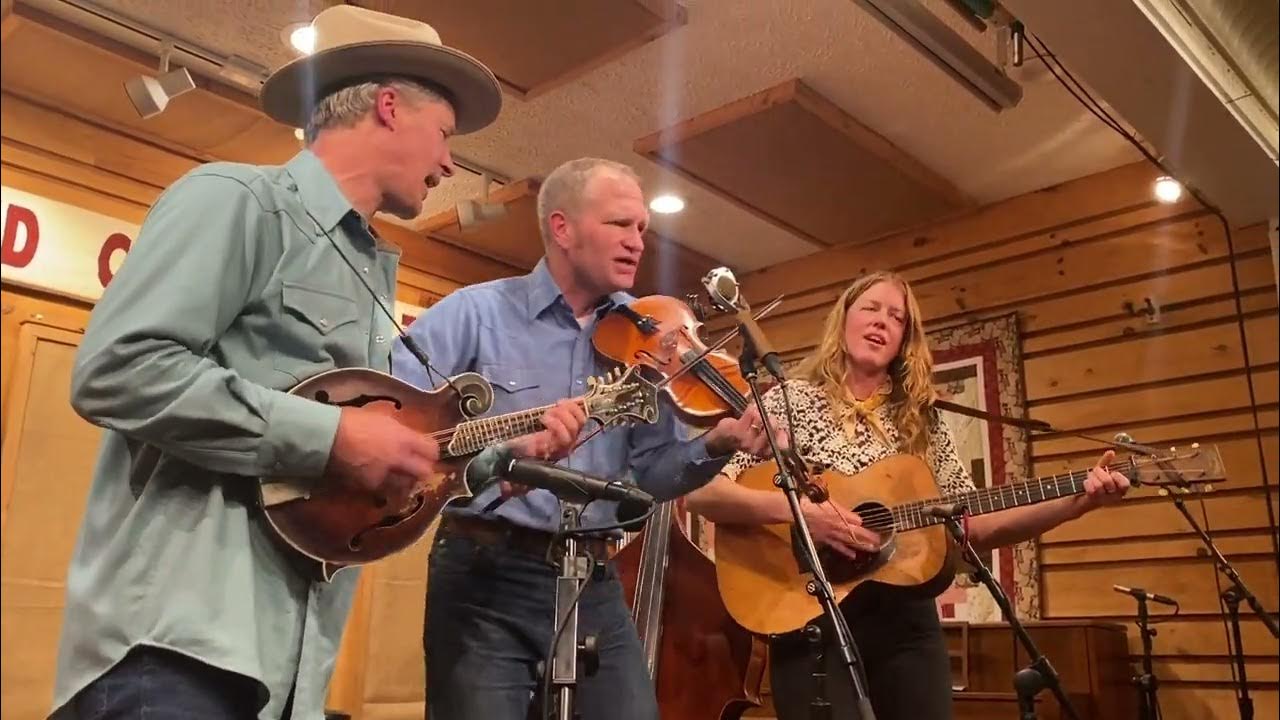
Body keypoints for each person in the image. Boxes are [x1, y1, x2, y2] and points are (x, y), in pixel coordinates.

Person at [47, 7, 561, 719]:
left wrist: (499, 454)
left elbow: (367, 462)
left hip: (287, 670)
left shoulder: (370, 273)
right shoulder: (238, 200)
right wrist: (335, 438)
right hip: (173, 649)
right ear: (388, 106)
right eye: (445, 135)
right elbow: (118, 368)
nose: (450, 163)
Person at [390, 156, 777, 720]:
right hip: (485, 571)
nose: (637, 242)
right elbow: (395, 423)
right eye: (620, 224)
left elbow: (650, 475)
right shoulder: (475, 314)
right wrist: (502, 457)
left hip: (593, 577)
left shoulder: (652, 336)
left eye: (642, 228)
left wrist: (715, 446)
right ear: (562, 228)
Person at [684, 270, 1131, 720]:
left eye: (896, 318)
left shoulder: (923, 419)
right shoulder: (788, 401)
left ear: (904, 340)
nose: (882, 322)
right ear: (843, 321)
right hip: (808, 614)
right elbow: (703, 492)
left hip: (905, 623)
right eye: (871, 309)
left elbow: (971, 523)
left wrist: (1078, 502)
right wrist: (803, 514)